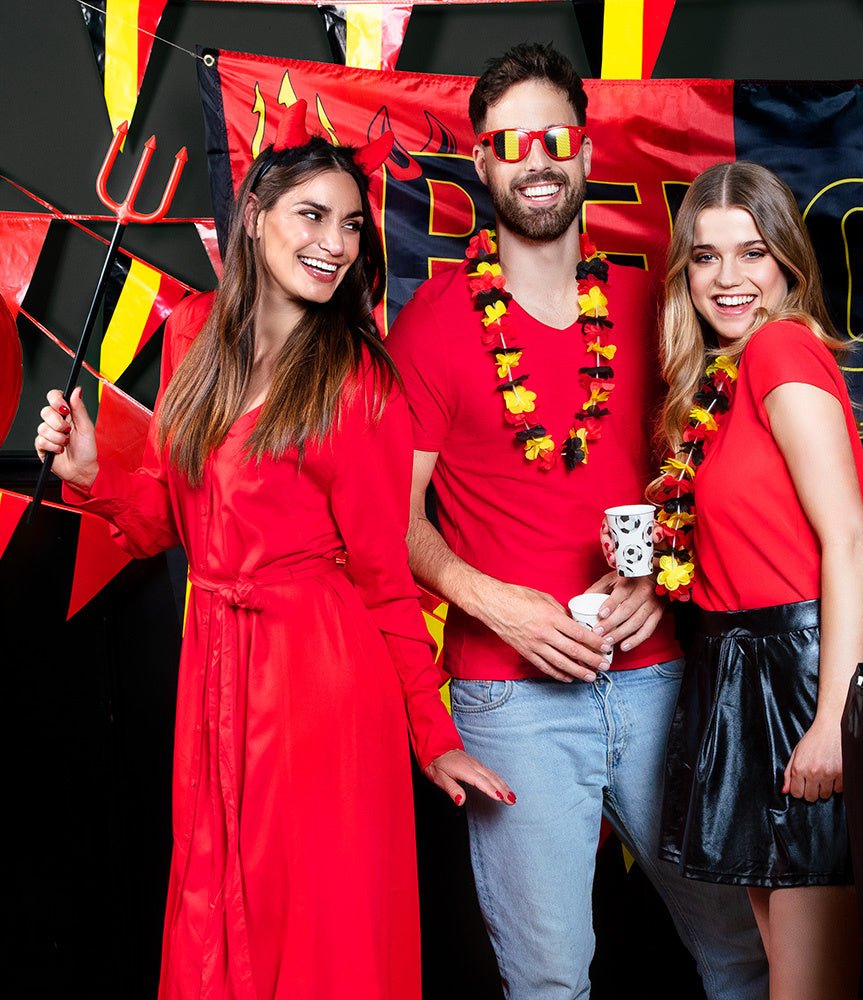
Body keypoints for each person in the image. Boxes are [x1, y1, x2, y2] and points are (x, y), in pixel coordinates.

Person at [34, 101, 513, 1000]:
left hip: (320, 688)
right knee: (220, 908)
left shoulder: (359, 381)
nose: (335, 243)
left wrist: (433, 732)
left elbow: (385, 578)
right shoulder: (194, 335)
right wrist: (94, 473)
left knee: (317, 926)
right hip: (216, 671)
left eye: (351, 224)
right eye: (313, 215)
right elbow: (168, 522)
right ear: (254, 216)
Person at [387, 43, 767, 1000]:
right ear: (483, 163)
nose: (537, 161)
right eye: (511, 143)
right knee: (550, 982)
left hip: (658, 679)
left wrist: (664, 575)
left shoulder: (649, 302)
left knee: (746, 956)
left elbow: (711, 472)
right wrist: (493, 604)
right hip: (509, 700)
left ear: (587, 153)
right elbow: (393, 516)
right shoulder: (433, 320)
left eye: (555, 138)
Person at [650, 161, 863, 999]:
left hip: (801, 675)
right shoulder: (718, 378)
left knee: (808, 985)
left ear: (786, 260)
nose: (728, 278)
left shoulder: (782, 349)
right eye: (706, 257)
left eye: (751, 253)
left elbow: (848, 541)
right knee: (785, 971)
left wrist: (833, 721)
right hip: (733, 673)